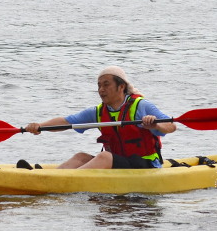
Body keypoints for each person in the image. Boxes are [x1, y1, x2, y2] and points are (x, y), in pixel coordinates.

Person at [23, 66, 176, 170]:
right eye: (99, 86)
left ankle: (65, 180)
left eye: (106, 85)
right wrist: (40, 126)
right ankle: (49, 177)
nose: (101, 90)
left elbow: (171, 125)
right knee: (81, 157)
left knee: (104, 157)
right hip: (119, 163)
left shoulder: (141, 106)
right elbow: (66, 121)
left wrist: (155, 125)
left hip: (145, 165)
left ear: (121, 86)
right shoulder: (98, 112)